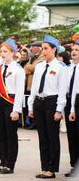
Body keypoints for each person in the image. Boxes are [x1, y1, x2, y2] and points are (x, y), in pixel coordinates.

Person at [28, 35, 68, 179]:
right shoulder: (39, 66)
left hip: (52, 102)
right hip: (39, 102)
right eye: (42, 49)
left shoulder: (60, 68)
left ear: (54, 49)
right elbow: (34, 88)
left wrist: (59, 110)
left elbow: (62, 91)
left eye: (46, 49)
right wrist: (31, 105)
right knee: (42, 137)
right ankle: (45, 167)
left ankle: (52, 169)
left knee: (52, 137)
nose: (43, 52)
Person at [0, 38, 25, 174]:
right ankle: (3, 162)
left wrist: (16, 110)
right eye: (1, 51)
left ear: (13, 53)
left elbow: (20, 91)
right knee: (1, 134)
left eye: (5, 51)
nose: (2, 54)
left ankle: (10, 164)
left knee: (10, 135)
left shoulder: (18, 69)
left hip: (11, 102)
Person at [65, 40, 79, 177]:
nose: (74, 52)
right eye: (73, 49)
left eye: (77, 50)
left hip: (78, 103)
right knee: (72, 136)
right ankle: (73, 166)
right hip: (69, 102)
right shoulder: (68, 68)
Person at [23, 42, 45, 129]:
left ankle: (35, 122)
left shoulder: (42, 56)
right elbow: (26, 68)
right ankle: (31, 121)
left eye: (33, 47)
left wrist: (30, 67)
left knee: (35, 102)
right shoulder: (33, 57)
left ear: (38, 48)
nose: (31, 48)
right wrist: (30, 67)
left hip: (35, 83)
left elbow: (33, 68)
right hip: (29, 82)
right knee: (30, 102)